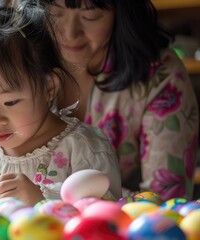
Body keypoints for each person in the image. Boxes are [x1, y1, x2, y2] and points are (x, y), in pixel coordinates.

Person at [0, 2, 122, 206]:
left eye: (10, 102)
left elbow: (107, 214)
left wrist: (41, 201)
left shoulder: (83, 148)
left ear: (48, 86)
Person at [37, 0, 199, 201]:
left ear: (121, 13)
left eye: (90, 15)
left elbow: (166, 201)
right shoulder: (20, 57)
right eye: (55, 12)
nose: (70, 33)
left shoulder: (160, 74)